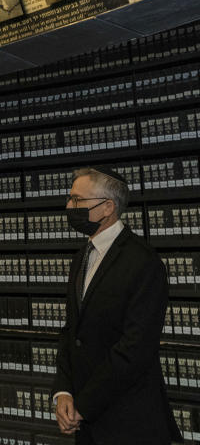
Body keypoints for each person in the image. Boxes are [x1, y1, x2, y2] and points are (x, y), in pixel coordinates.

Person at [54, 167, 182, 444]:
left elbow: (134, 349)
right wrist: (63, 391)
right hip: (86, 425)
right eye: (69, 198)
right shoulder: (82, 257)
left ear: (107, 208)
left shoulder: (143, 262)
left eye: (77, 200)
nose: (68, 206)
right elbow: (71, 331)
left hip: (128, 423)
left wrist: (83, 405)